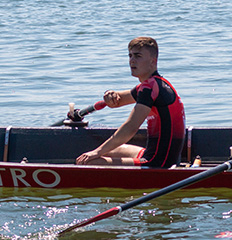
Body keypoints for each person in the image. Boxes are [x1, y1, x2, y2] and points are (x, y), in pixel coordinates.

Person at [76, 37, 185, 168]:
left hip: (156, 163)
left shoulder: (149, 87)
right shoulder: (156, 84)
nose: (132, 60)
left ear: (153, 61)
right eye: (130, 56)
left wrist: (97, 152)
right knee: (111, 150)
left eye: (138, 56)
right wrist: (110, 93)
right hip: (158, 155)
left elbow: (130, 128)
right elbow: (118, 100)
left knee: (89, 162)